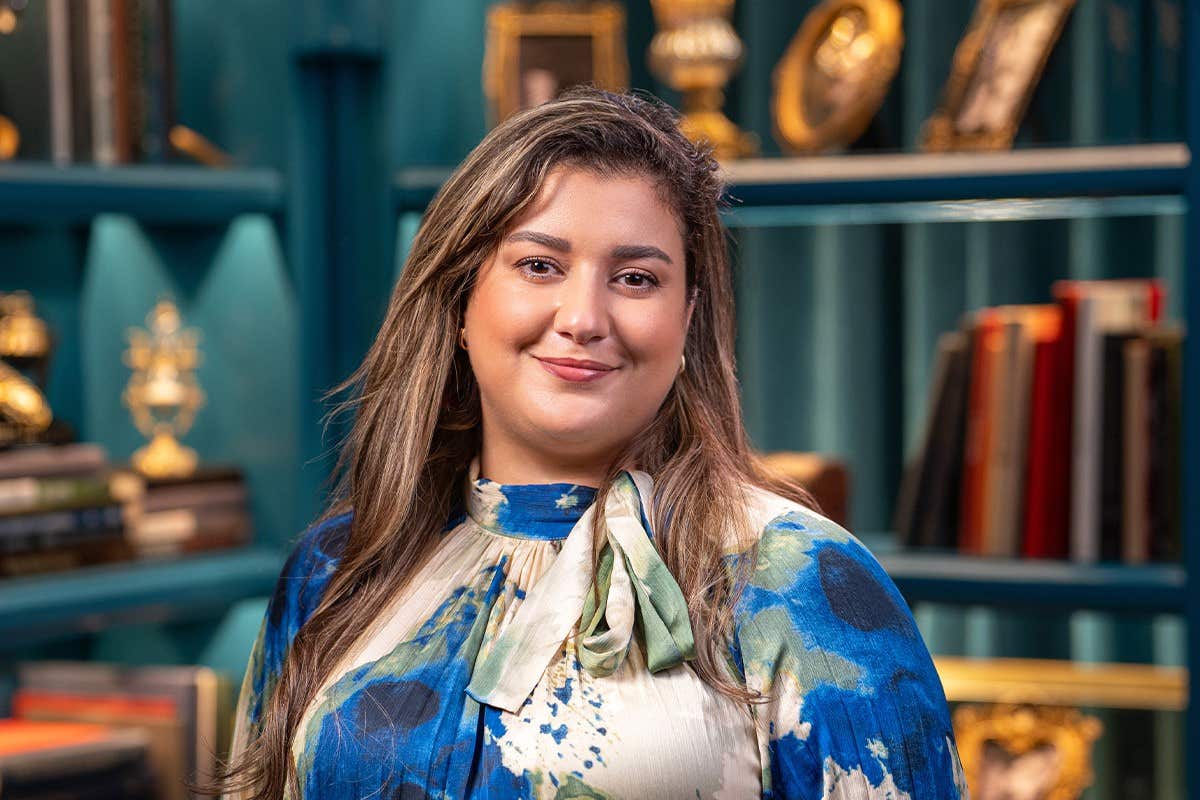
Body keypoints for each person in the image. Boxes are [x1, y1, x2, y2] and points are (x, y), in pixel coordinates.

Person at [210, 86, 968, 799]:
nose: (583, 316)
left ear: (687, 318)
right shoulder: (335, 570)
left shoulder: (806, 585)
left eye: (636, 279)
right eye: (540, 265)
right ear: (461, 301)